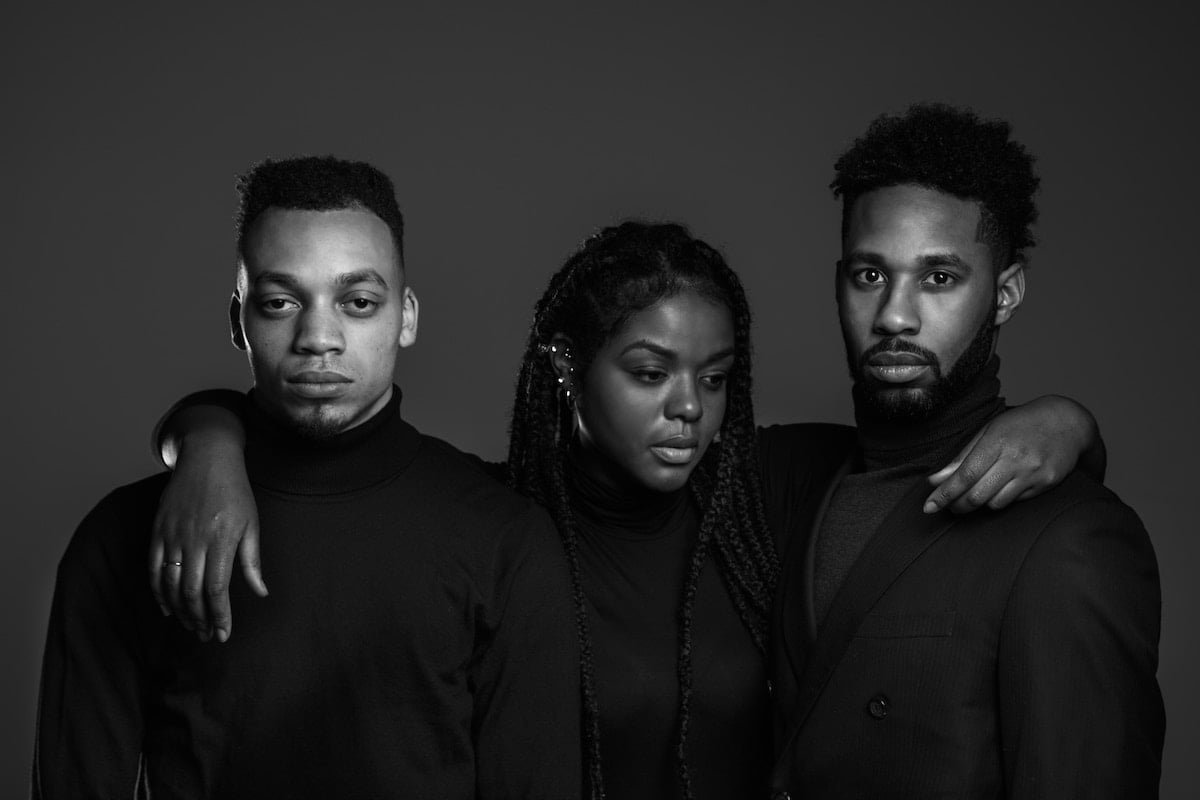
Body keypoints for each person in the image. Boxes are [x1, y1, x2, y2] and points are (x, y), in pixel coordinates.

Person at [147, 217, 1104, 799]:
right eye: (649, 373)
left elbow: (921, 450)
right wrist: (207, 437)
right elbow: (319, 445)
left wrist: (1071, 423)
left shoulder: (761, 494)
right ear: (567, 368)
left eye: (718, 379)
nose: (689, 409)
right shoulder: (487, 525)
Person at [32, 156, 580, 799]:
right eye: (280, 301)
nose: (319, 336)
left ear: (405, 317)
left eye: (358, 302)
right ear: (240, 320)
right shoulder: (124, 537)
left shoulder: (502, 538)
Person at [768, 103, 1164, 799]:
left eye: (939, 278)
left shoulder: (1071, 538)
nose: (894, 314)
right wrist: (1077, 422)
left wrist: (1074, 425)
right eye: (869, 275)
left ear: (1006, 292)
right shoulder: (786, 478)